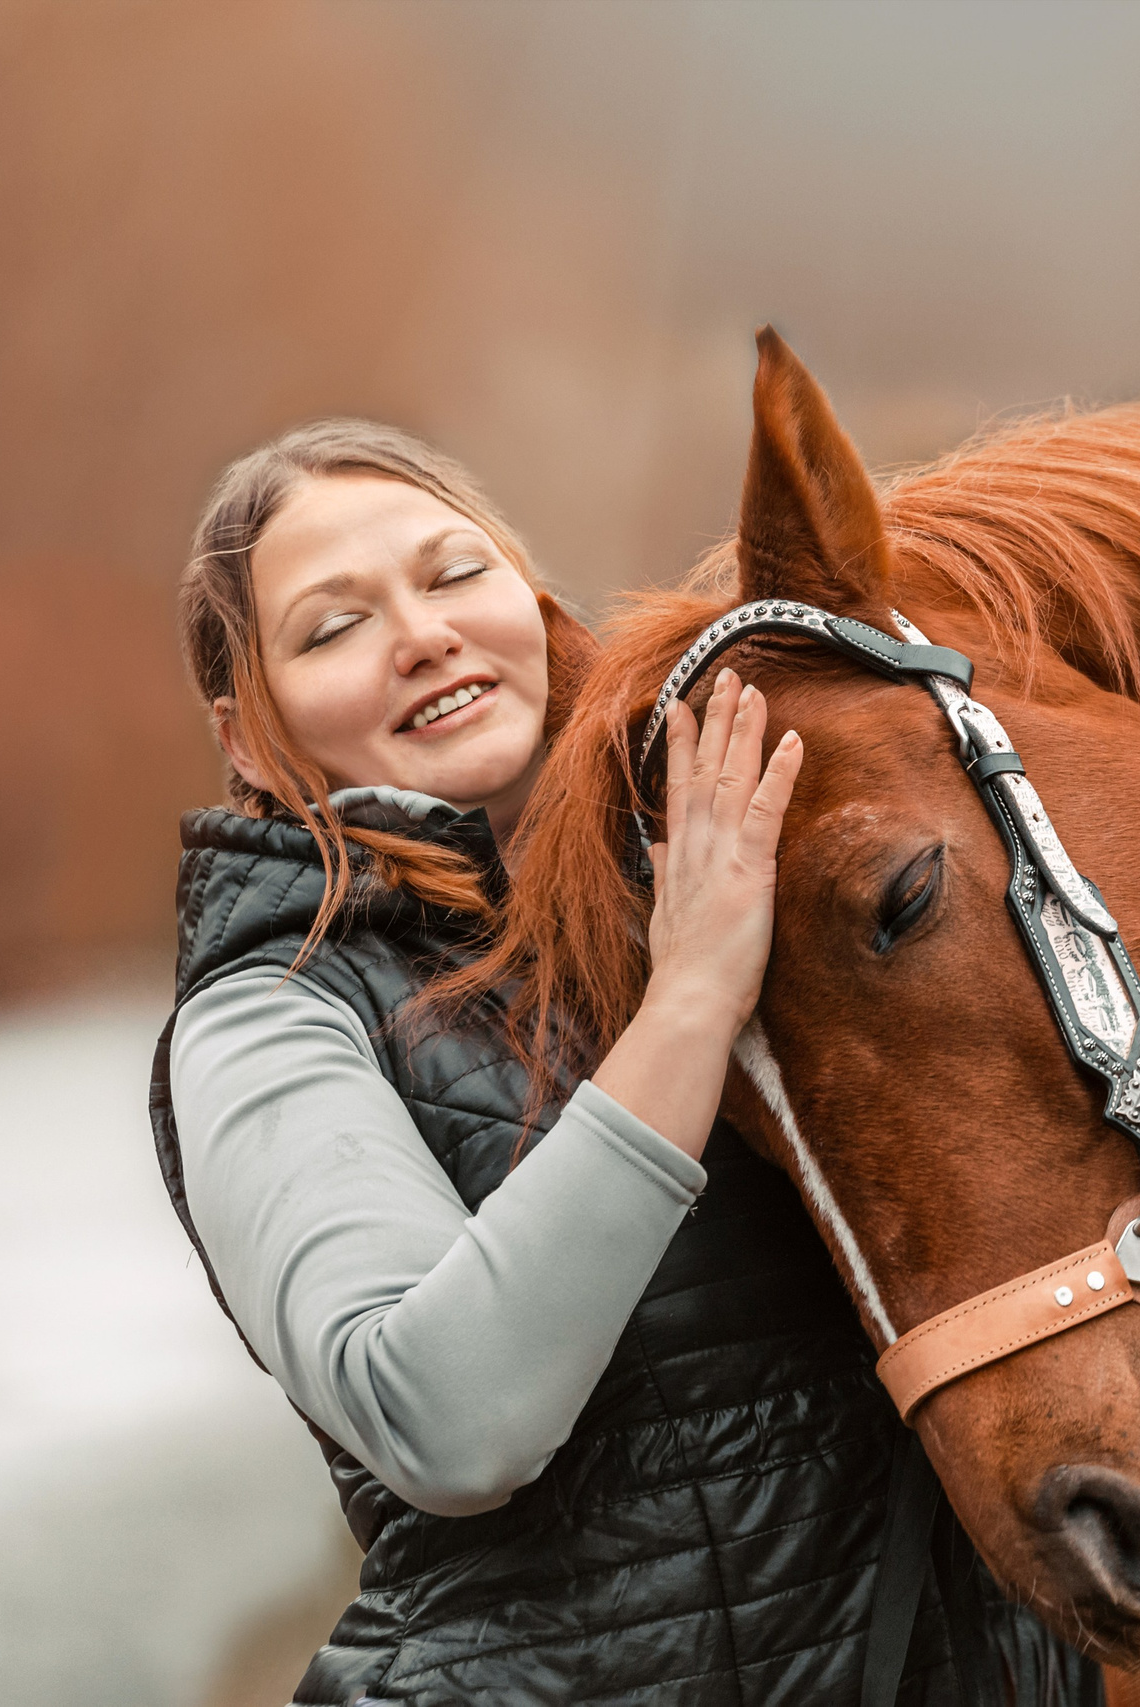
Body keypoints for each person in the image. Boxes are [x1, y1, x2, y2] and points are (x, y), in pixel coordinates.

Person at [151, 421, 1072, 1706]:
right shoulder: (270, 1013)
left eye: (454, 573)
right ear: (249, 740)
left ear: (530, 601)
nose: (423, 635)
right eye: (334, 627)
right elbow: (449, 1423)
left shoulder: (710, 862)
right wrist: (692, 998)